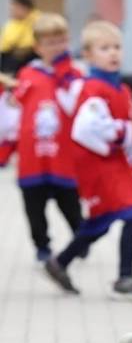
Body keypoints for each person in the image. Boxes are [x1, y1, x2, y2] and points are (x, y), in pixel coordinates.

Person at [43, 20, 132, 301]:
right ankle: (125, 277)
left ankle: (60, 261)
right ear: (89, 55)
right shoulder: (92, 88)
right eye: (104, 48)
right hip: (100, 166)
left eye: (116, 47)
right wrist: (127, 130)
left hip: (116, 164)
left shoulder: (121, 88)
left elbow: (130, 126)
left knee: (101, 222)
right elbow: (85, 130)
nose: (113, 53)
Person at [13, 13, 84, 262]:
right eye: (50, 43)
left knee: (70, 203)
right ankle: (42, 247)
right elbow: (15, 110)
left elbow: (75, 106)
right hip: (33, 154)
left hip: (63, 153)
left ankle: (81, 240)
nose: (56, 47)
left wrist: (63, 75)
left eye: (61, 41)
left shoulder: (74, 75)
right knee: (34, 207)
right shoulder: (27, 75)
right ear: (37, 47)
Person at [0, 0, 40, 76]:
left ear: (24, 8)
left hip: (27, 59)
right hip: (9, 60)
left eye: (14, 9)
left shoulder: (37, 21)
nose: (12, 11)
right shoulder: (12, 23)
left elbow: (30, 43)